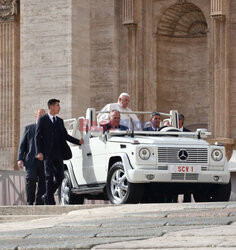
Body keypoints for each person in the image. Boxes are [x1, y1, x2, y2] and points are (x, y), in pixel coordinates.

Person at [35, 99, 84, 205]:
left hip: (58, 154)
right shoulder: (42, 120)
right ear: (51, 107)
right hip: (47, 154)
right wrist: (39, 152)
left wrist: (78, 141)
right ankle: (50, 202)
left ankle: (47, 195)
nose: (59, 107)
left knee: (60, 177)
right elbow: (37, 137)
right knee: (48, 176)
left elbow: (65, 136)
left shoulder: (60, 121)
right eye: (57, 105)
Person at [17, 109, 46, 205]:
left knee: (43, 182)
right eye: (40, 115)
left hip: (44, 161)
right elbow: (22, 144)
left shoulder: (48, 130)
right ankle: (30, 201)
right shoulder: (28, 128)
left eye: (44, 116)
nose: (42, 118)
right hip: (31, 161)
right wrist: (20, 158)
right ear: (36, 116)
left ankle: (39, 202)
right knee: (30, 181)